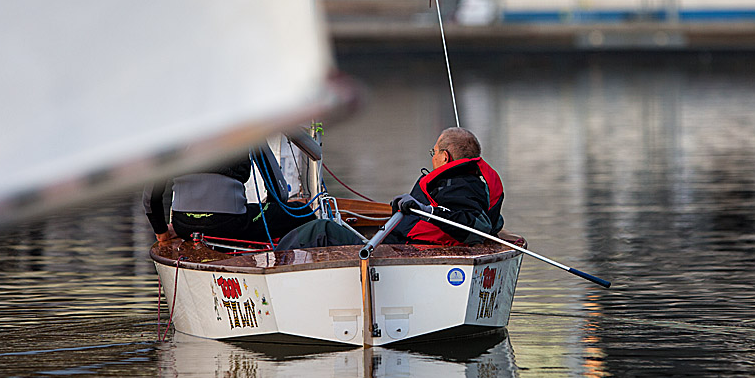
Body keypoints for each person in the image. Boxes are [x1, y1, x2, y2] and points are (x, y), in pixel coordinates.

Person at [273, 127, 505, 250]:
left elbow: (476, 225)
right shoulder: (473, 182)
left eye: (433, 152)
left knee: (321, 230)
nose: (432, 157)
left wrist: (426, 209)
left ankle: (273, 263)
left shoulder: (458, 183)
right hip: (401, 244)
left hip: (403, 252)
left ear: (445, 157)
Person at [144, 143, 315, 245]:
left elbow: (150, 196)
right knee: (303, 212)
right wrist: (269, 215)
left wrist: (161, 231)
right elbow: (278, 191)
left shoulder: (176, 129)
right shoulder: (244, 124)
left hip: (184, 226)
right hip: (230, 223)